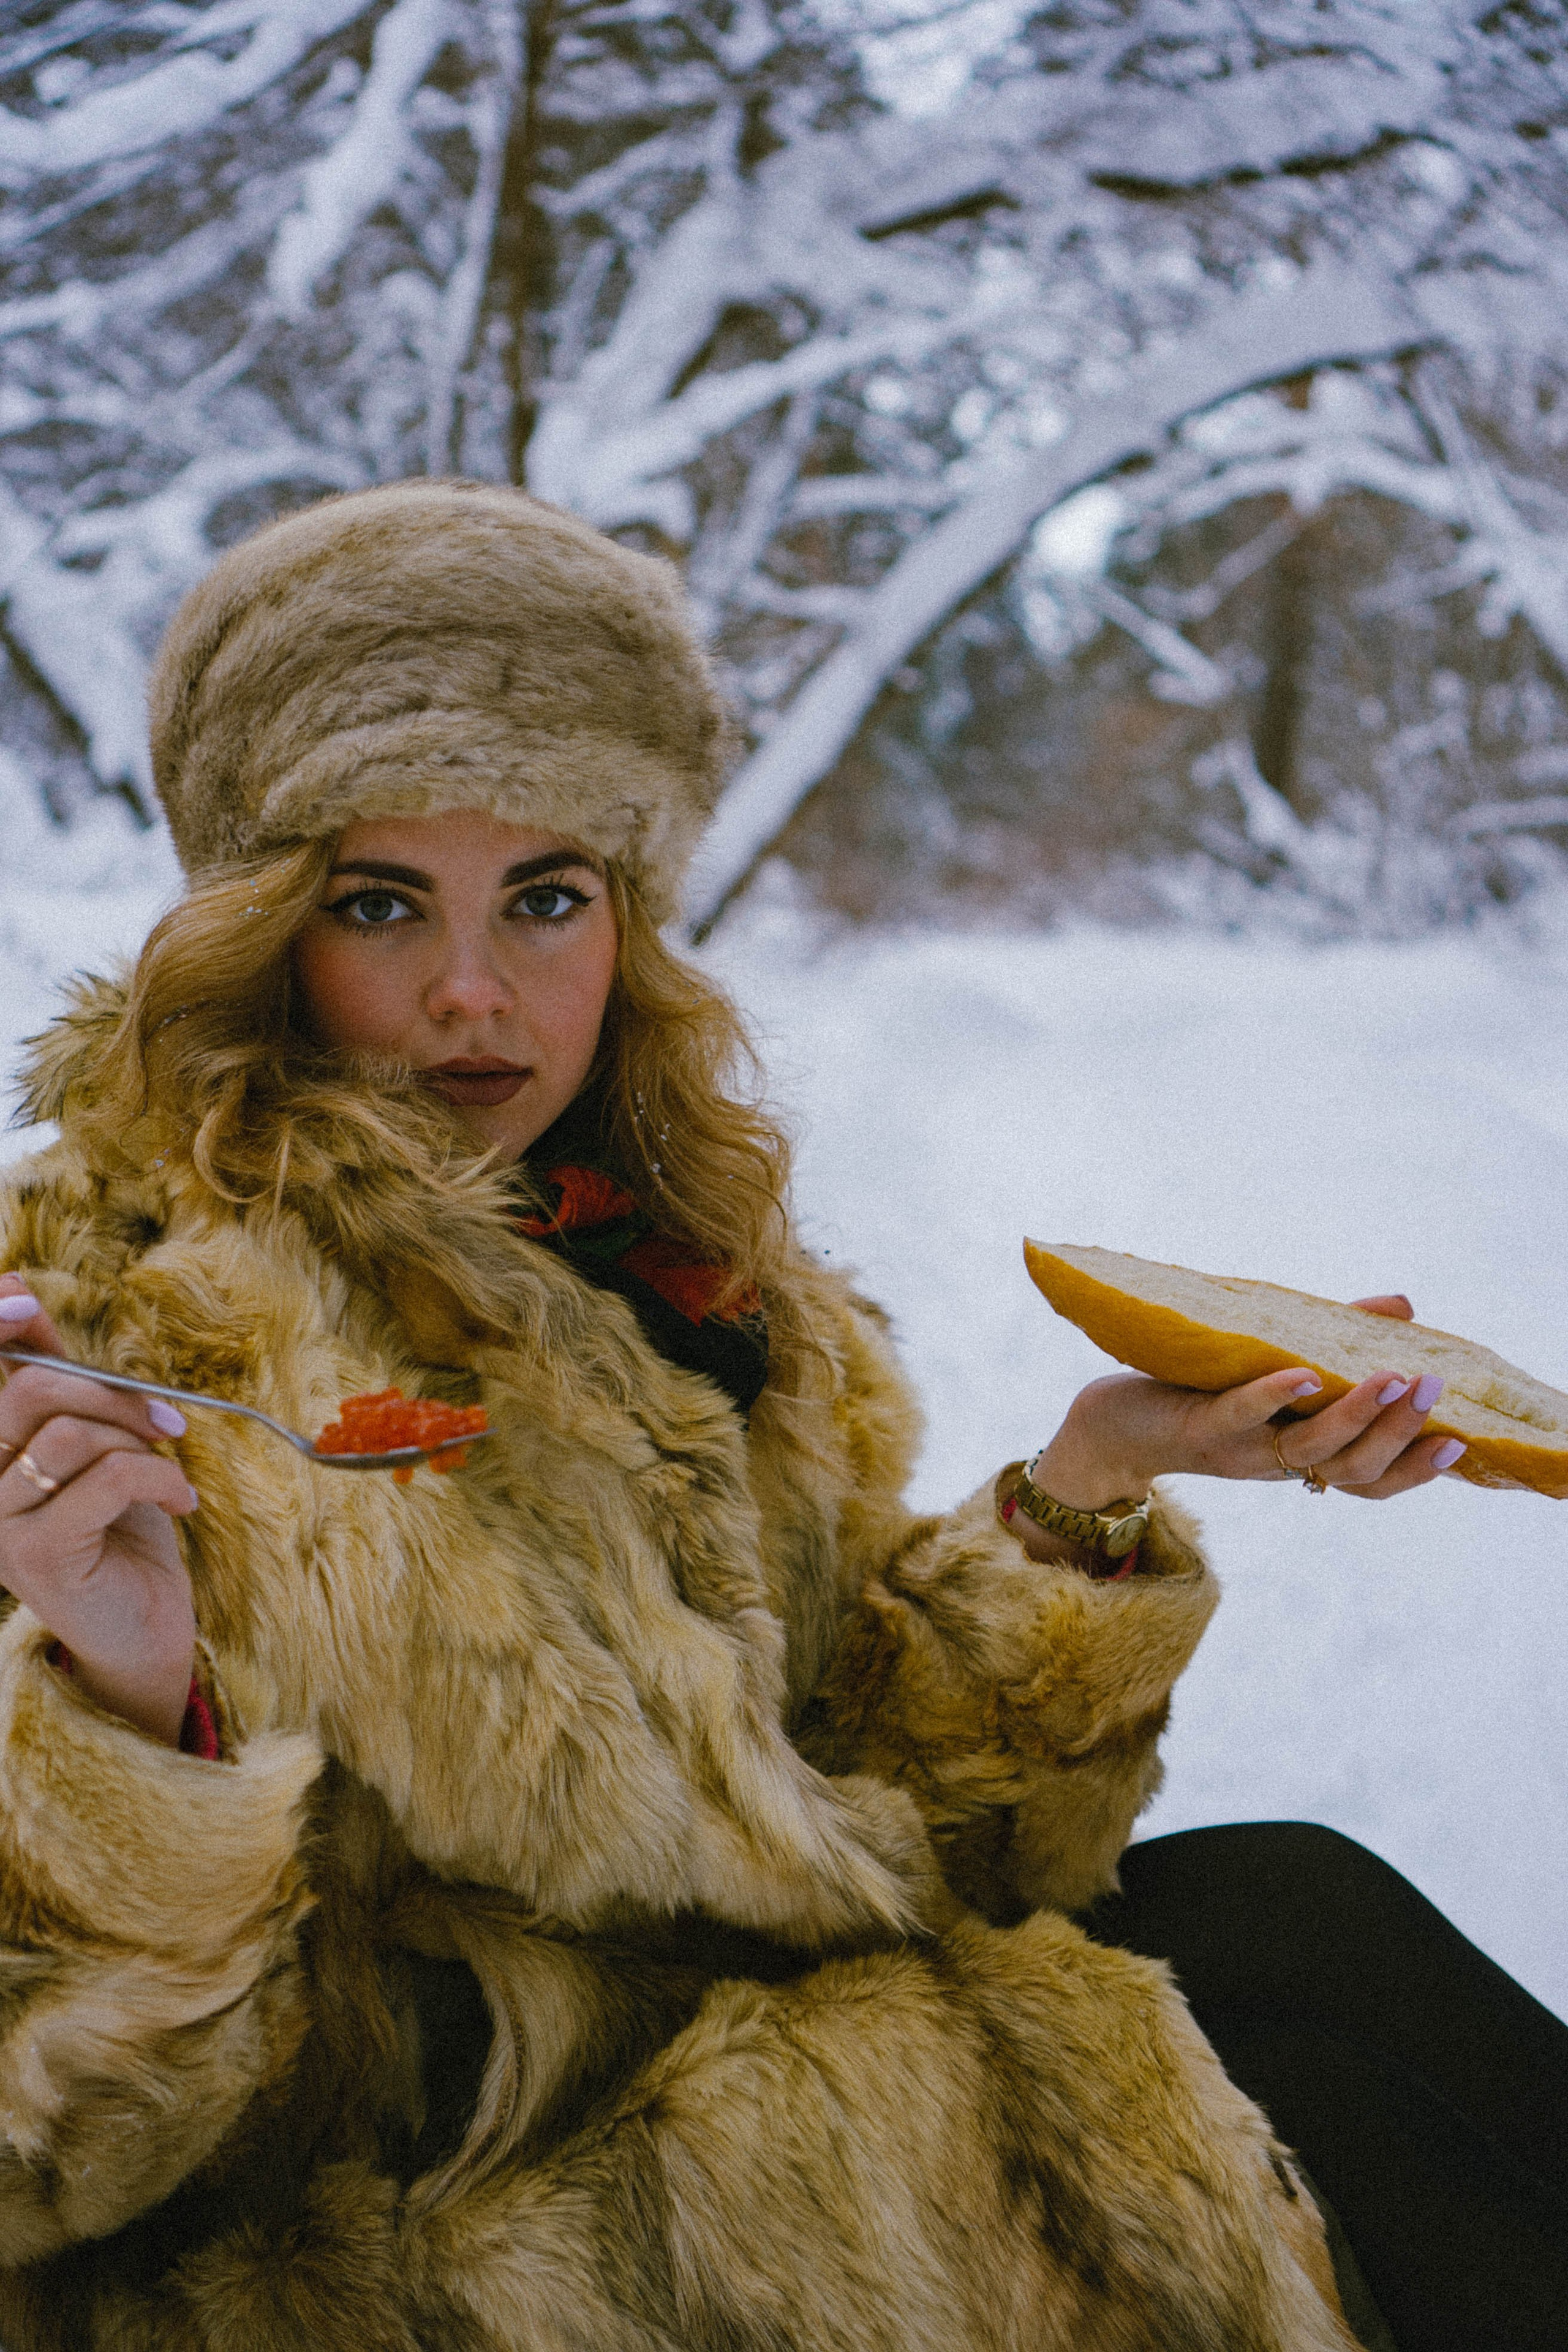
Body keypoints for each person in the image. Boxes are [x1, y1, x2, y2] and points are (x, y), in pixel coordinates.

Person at [0, 480, 1559, 2352]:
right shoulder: (98, 1326)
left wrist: (1091, 1486)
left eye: (548, 896)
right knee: (1131, 2129)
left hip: (729, 2055)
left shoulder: (667, 1270)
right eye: (380, 902)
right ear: (263, 926)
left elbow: (867, 1826)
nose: (476, 991)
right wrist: (119, 1714)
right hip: (413, 2223)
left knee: (1305, 1924)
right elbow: (48, 2151)